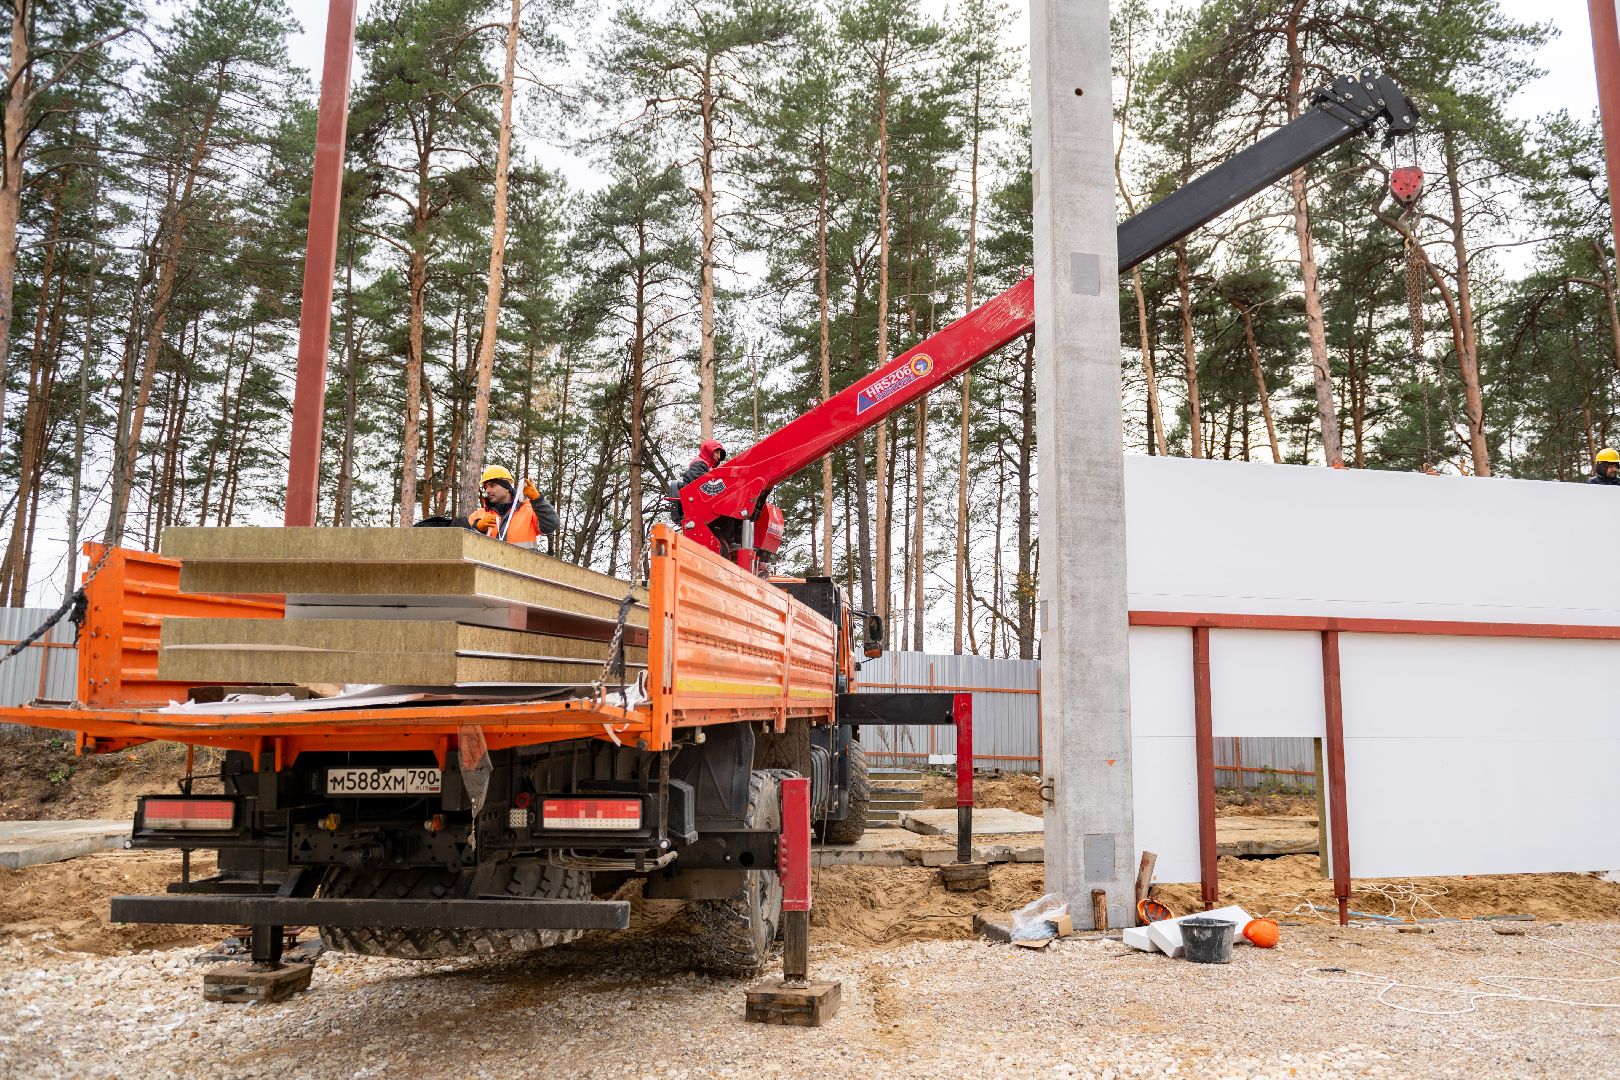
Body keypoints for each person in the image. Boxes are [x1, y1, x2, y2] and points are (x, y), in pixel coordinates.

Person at [468, 465, 559, 546]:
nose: (487, 490)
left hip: (522, 561)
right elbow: (466, 544)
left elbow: (551, 525)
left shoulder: (530, 511)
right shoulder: (477, 516)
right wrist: (477, 528)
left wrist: (538, 500)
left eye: (492, 485)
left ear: (507, 488)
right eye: (485, 487)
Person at [666, 439, 727, 520]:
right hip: (695, 505)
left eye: (720, 453)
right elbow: (701, 487)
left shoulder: (707, 466)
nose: (719, 457)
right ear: (708, 451)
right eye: (716, 452)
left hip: (697, 504)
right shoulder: (699, 464)